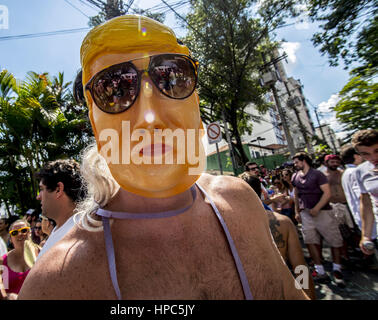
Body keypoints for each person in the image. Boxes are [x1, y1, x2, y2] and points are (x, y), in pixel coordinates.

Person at [19, 15, 308, 300]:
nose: (149, 117)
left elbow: (293, 290)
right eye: (115, 90)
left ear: (195, 102)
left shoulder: (241, 200)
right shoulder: (57, 283)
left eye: (172, 78)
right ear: (96, 126)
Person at [240, 173, 316, 299]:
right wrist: (308, 296)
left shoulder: (229, 226)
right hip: (283, 290)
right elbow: (300, 267)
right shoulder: (284, 222)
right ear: (260, 191)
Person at [292, 152, 345, 287]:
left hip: (323, 212)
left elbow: (327, 193)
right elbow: (296, 194)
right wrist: (297, 211)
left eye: (297, 161)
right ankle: (319, 270)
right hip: (306, 214)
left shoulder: (317, 174)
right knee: (310, 241)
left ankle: (337, 269)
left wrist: (317, 208)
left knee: (334, 240)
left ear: (304, 161)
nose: (295, 164)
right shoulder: (295, 176)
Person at [34, 159, 84, 261]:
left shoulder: (80, 233)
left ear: (58, 189)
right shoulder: (62, 229)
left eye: (42, 189)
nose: (38, 197)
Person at [351, 129, 378, 256]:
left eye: (377, 151)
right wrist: (366, 235)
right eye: (366, 154)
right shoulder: (360, 171)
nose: (373, 157)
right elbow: (366, 204)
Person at [0, 219, 39, 296]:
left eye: (24, 230)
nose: (20, 234)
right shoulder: (3, 260)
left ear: (30, 233)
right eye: (15, 233)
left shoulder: (41, 253)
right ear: (10, 239)